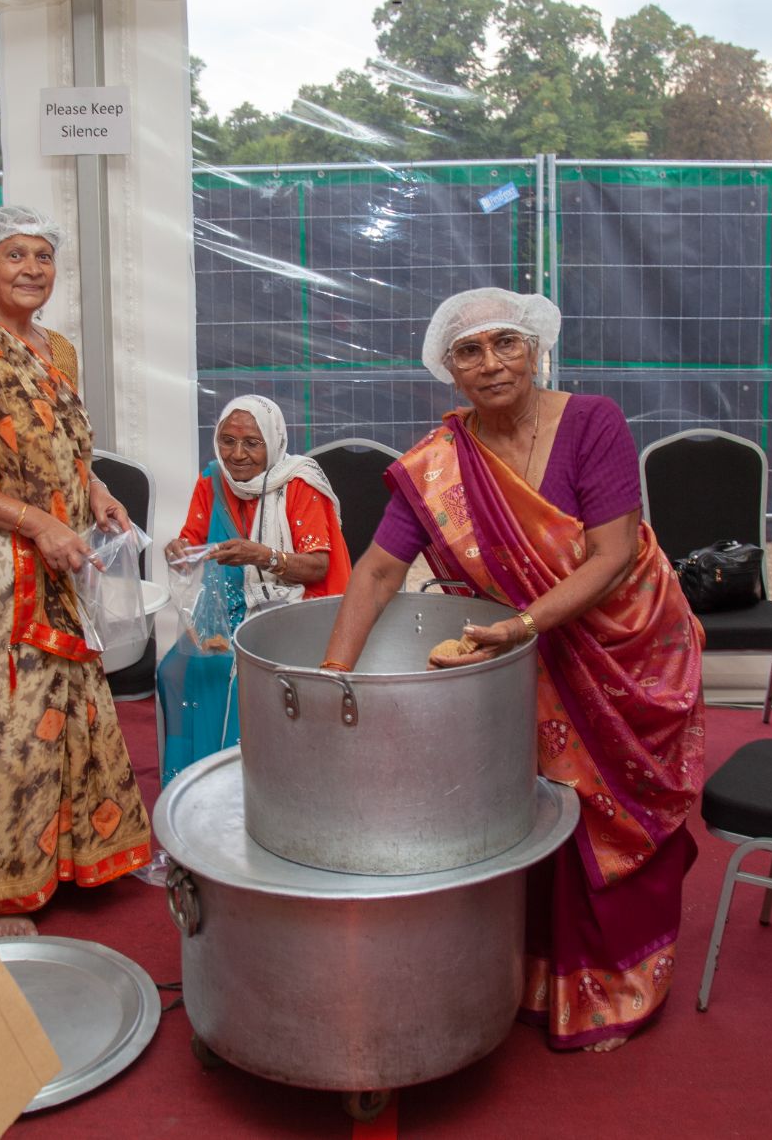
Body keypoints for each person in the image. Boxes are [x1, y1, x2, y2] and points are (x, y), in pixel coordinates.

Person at [317, 288, 705, 1053]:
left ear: (535, 348)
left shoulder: (592, 422)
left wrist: (522, 625)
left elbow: (613, 553)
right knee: (538, 809)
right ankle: (535, 974)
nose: (491, 363)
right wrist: (333, 672)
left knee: (616, 811)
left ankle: (618, 986)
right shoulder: (440, 465)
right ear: (448, 367)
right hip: (523, 660)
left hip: (624, 652)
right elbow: (378, 570)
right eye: (469, 350)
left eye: (506, 343)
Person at [0, 205, 153, 935]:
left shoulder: (58, 350)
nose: (31, 269)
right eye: (14, 255)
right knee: (1, 725)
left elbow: (66, 447)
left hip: (57, 558)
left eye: (43, 256)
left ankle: (70, 857)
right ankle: (1, 887)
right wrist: (36, 522)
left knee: (67, 707)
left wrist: (95, 491)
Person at [157, 396, 352, 780]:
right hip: (224, 607)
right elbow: (191, 541)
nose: (237, 454)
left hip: (291, 609)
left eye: (252, 443)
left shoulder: (299, 484)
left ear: (273, 441)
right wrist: (178, 551)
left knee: (238, 675)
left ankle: (251, 786)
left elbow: (318, 566)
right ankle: (197, 785)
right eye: (227, 441)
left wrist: (264, 556)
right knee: (174, 670)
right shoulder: (213, 480)